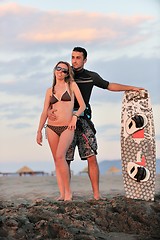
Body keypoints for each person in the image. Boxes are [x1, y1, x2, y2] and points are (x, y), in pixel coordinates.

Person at [66, 47, 144, 200]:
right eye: (73, 57)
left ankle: (96, 195)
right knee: (65, 159)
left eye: (78, 58)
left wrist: (131, 88)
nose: (74, 60)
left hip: (83, 121)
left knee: (91, 156)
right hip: (66, 120)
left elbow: (109, 85)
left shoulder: (91, 76)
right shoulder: (65, 74)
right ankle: (66, 193)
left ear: (85, 60)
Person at [36, 61, 86, 201]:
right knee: (56, 161)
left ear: (67, 74)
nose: (61, 72)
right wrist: (39, 130)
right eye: (58, 69)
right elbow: (45, 111)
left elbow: (82, 106)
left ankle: (68, 192)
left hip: (67, 127)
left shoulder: (71, 86)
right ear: (54, 70)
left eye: (64, 70)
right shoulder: (49, 90)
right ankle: (62, 194)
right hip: (51, 127)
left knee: (60, 157)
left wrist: (74, 117)